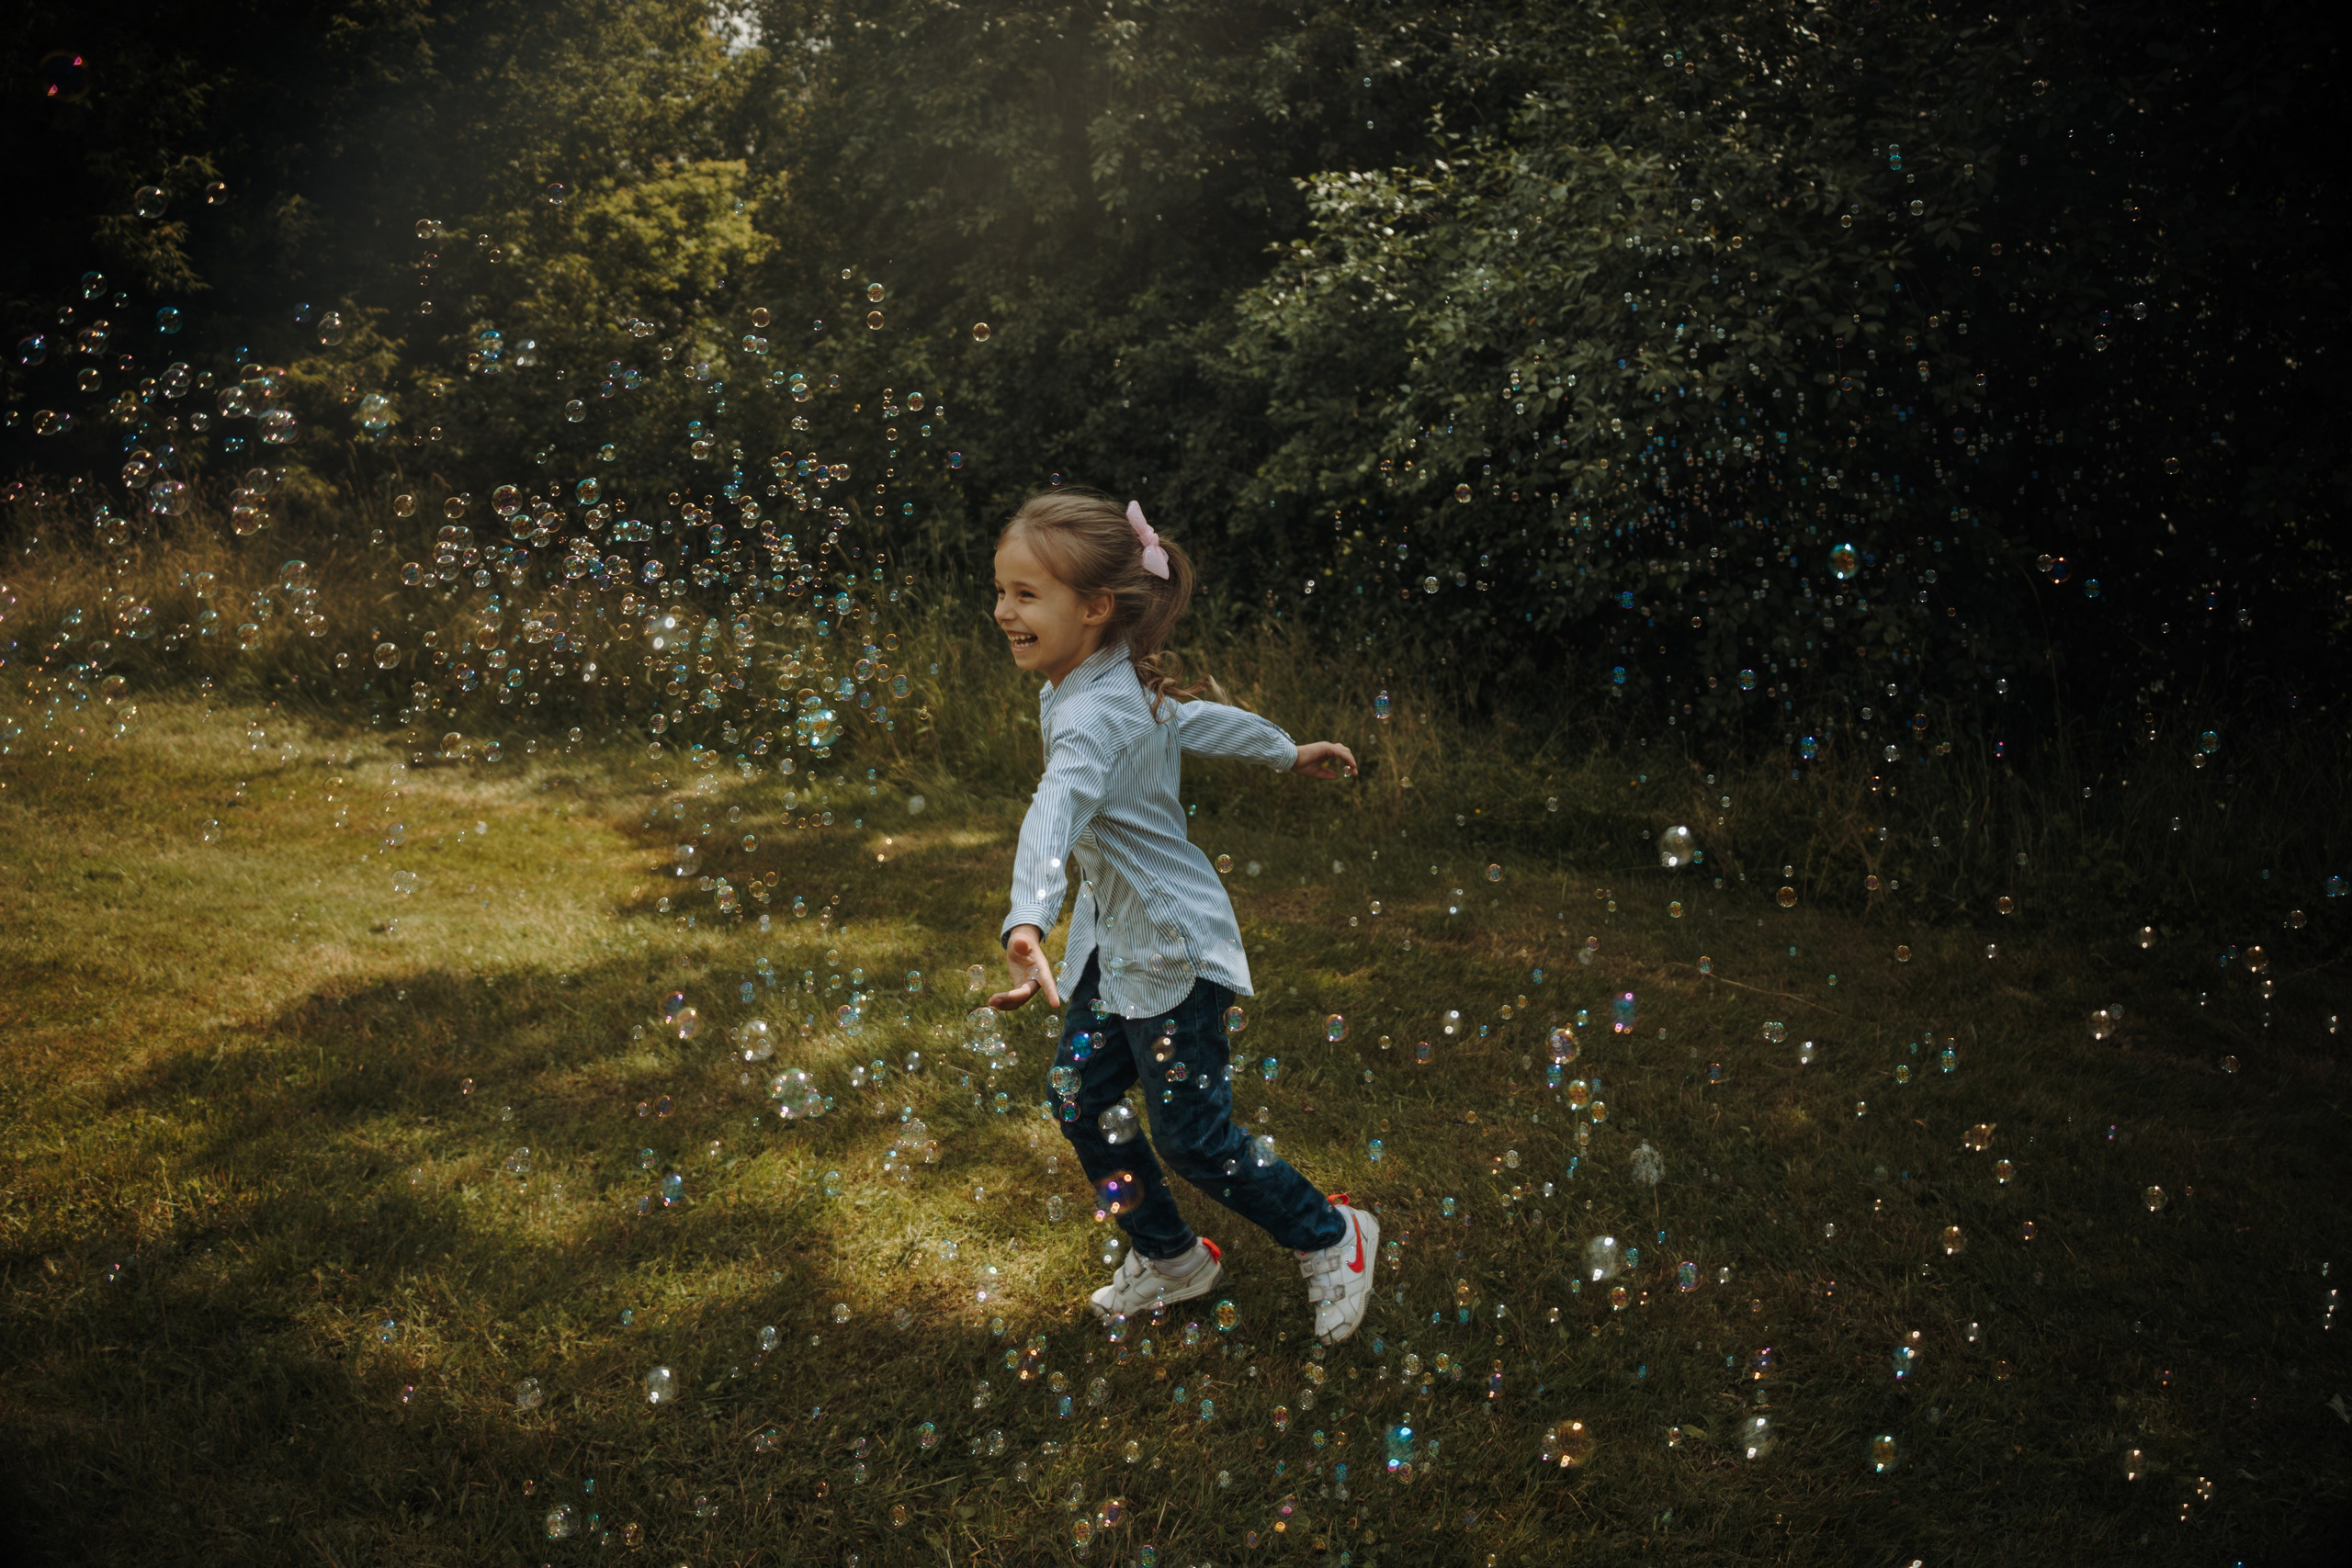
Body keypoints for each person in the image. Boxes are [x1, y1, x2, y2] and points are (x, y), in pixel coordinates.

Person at [985, 485, 1379, 1344]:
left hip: (1169, 948)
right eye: (1002, 590)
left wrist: (1027, 916)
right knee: (1080, 1099)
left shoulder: (1089, 713)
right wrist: (1283, 749)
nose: (1005, 610)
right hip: (1112, 944)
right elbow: (1186, 718)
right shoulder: (1097, 680)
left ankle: (1331, 1234)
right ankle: (1172, 1258)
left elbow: (1054, 809)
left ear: (1095, 606)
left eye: (1026, 594)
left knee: (1194, 1137)